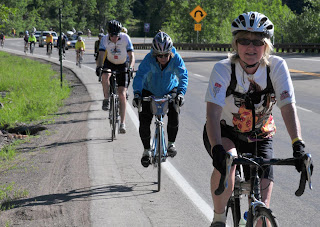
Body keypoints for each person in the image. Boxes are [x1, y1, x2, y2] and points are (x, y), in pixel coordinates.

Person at [202, 11, 311, 227]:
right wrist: (216, 149)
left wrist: (297, 144)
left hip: (261, 133)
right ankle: (218, 217)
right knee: (228, 161)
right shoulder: (223, 69)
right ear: (235, 43)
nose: (250, 47)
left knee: (262, 206)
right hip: (226, 132)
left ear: (266, 45)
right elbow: (213, 114)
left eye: (257, 42)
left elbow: (288, 107)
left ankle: (258, 217)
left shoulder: (276, 67)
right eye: (244, 40)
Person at [132, 31, 188, 167]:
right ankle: (146, 151)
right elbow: (139, 76)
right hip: (149, 89)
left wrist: (181, 93)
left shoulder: (176, 58)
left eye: (166, 55)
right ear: (154, 54)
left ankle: (171, 144)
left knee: (175, 109)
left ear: (170, 52)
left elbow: (183, 76)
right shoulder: (148, 59)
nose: (163, 58)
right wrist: (137, 94)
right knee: (144, 119)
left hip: (170, 89)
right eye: (159, 56)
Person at [96, 19, 135, 134]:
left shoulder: (125, 38)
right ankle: (106, 99)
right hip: (110, 63)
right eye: (112, 36)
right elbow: (101, 55)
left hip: (123, 64)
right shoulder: (104, 39)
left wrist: (131, 67)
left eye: (116, 36)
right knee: (105, 75)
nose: (114, 38)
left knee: (122, 94)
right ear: (108, 33)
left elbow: (131, 55)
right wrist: (99, 67)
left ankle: (122, 123)